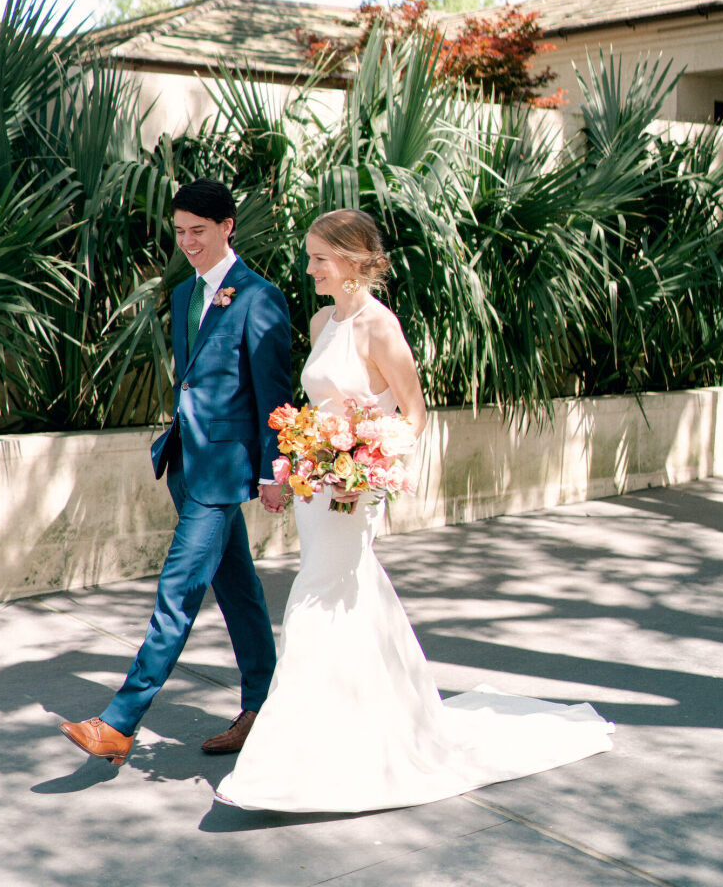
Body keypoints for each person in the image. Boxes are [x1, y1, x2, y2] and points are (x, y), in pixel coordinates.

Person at [215, 208, 613, 813]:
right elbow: (320, 406)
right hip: (318, 488)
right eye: (310, 256)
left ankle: (301, 756)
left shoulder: (380, 327)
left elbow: (412, 414)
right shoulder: (325, 320)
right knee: (349, 601)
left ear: (351, 261)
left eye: (319, 257)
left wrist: (367, 470)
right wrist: (301, 456)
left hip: (354, 492)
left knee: (317, 600)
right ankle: (367, 727)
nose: (310, 267)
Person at [59, 179, 291, 765]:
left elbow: (274, 396)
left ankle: (119, 723)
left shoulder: (260, 298)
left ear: (227, 227)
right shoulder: (187, 294)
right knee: (239, 594)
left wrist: (273, 471)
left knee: (177, 592)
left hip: (226, 470)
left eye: (200, 231)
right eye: (180, 231)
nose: (188, 242)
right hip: (185, 461)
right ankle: (263, 706)